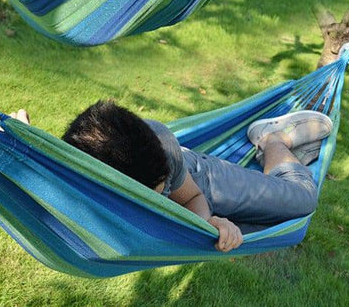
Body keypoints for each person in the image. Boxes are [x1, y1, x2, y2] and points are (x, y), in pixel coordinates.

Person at [49, 101, 331, 252]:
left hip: (203, 179)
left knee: (301, 202)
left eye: (162, 188)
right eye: (155, 192)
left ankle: (272, 140)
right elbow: (37, 168)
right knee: (252, 229)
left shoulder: (160, 143)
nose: (161, 194)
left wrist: (206, 222)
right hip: (171, 216)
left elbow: (192, 195)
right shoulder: (79, 173)